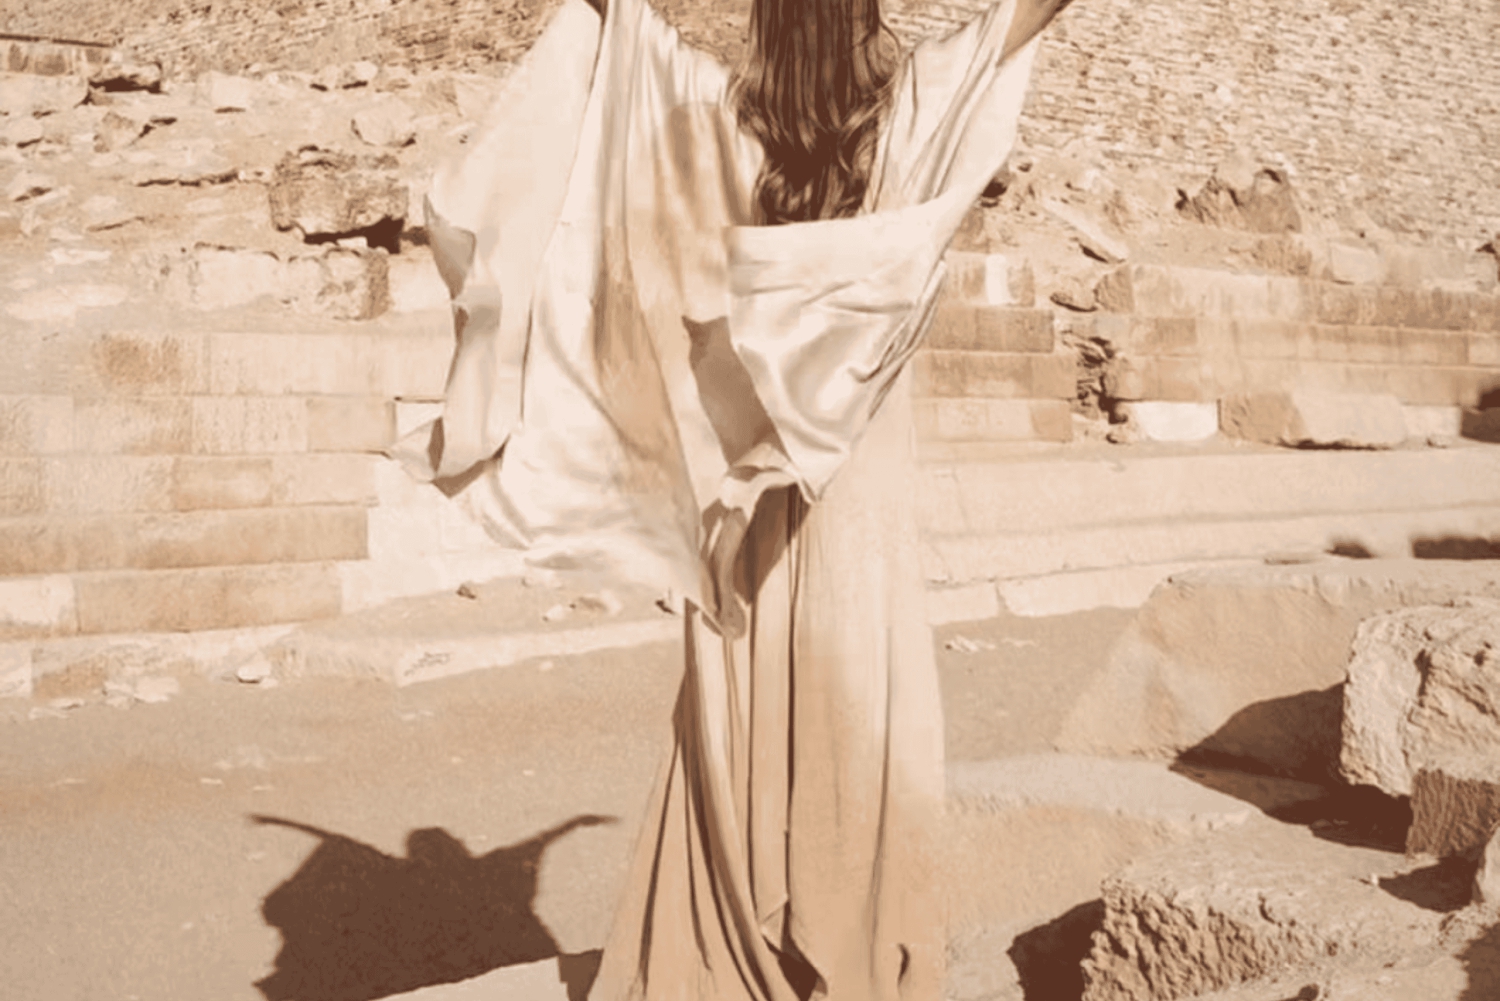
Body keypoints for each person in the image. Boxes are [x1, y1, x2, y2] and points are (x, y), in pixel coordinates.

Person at [392, 0, 1070, 995]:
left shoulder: (714, 117)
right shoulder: (912, 106)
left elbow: (622, 37)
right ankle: (844, 933)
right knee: (856, 684)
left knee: (733, 685)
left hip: (738, 459)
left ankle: (727, 924)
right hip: (855, 469)